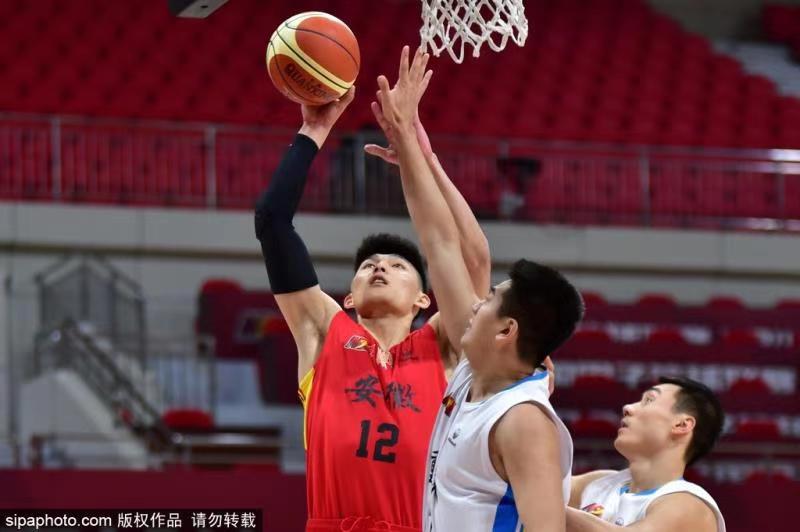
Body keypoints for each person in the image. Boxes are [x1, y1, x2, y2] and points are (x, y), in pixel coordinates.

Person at [253, 73, 491, 530]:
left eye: (398, 266)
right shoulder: (324, 331)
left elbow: (472, 257)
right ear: (348, 297)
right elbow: (272, 221)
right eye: (368, 266)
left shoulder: (443, 347)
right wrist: (314, 130)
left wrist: (423, 161)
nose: (380, 267)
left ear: (423, 299)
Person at [371, 45, 583, 532]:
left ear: (506, 331)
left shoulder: (524, 421)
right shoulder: (475, 372)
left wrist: (411, 146)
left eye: (487, 301)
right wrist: (415, 152)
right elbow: (442, 242)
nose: (474, 303)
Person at [567, 376, 726, 532]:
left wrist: (558, 511)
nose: (627, 407)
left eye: (649, 400)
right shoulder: (599, 483)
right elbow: (550, 486)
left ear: (681, 425)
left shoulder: (690, 504)